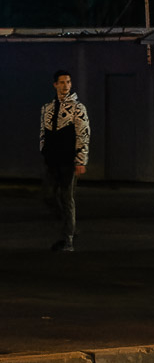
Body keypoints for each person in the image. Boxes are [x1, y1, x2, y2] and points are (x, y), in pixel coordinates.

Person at [40, 69, 90, 251]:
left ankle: (68, 238)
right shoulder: (47, 108)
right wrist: (44, 151)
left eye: (68, 82)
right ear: (55, 85)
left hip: (68, 160)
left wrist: (80, 160)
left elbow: (83, 134)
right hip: (52, 159)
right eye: (62, 82)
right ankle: (70, 226)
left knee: (67, 197)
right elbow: (43, 133)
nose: (65, 85)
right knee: (48, 195)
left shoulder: (77, 108)